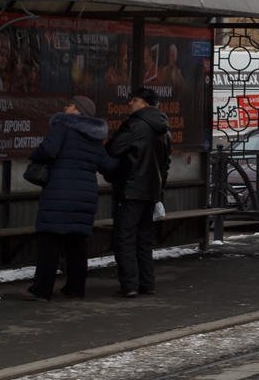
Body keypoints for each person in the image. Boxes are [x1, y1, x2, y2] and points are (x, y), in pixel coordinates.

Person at [26, 96, 117, 301]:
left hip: (60, 192)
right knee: (76, 244)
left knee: (50, 242)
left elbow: (48, 150)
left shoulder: (63, 125)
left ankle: (41, 290)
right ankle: (75, 289)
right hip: (85, 197)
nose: (64, 108)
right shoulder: (95, 137)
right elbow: (108, 166)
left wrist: (35, 156)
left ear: (77, 110)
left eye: (68, 105)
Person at [105, 87, 172, 298]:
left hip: (130, 189)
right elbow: (166, 164)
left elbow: (112, 149)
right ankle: (147, 282)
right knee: (144, 240)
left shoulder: (134, 124)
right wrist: (158, 189)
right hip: (151, 192)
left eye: (134, 100)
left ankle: (129, 284)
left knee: (124, 238)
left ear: (145, 104)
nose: (130, 104)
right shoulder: (163, 128)